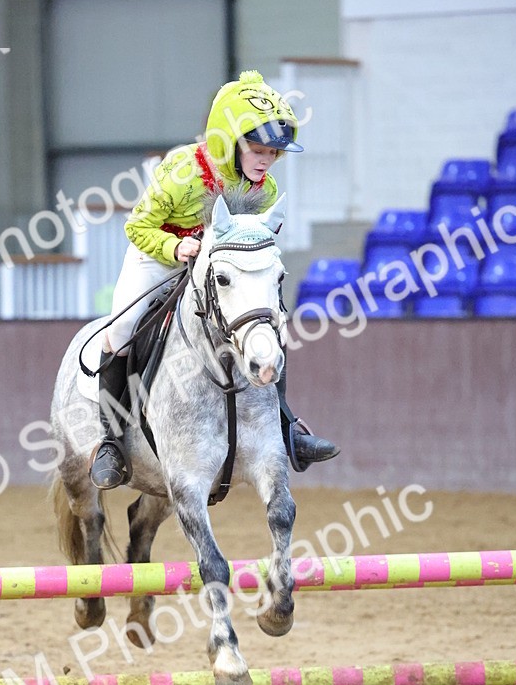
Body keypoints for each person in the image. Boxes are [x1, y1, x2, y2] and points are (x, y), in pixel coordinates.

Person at [89, 70, 339, 490]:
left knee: (264, 323)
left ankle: (285, 425)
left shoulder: (265, 186)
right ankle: (111, 440)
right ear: (228, 142)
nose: (266, 161)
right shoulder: (182, 170)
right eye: (257, 150)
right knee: (121, 330)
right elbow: (138, 227)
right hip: (160, 255)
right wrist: (177, 249)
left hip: (216, 268)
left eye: (273, 154)